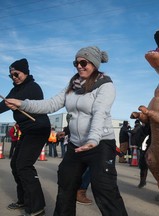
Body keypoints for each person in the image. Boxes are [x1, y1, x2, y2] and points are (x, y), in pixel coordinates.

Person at [5, 46, 128, 216]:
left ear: (94, 64)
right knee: (65, 184)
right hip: (76, 145)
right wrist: (22, 104)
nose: (79, 66)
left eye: (83, 62)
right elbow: (51, 104)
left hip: (99, 144)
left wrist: (93, 139)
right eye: (76, 63)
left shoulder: (105, 85)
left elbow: (100, 113)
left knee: (104, 189)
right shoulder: (73, 85)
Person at [0, 58, 51, 216]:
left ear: (25, 72)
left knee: (24, 165)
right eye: (11, 75)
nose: (14, 77)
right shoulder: (15, 90)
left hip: (38, 129)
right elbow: (3, 106)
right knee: (15, 165)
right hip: (27, 131)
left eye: (16, 73)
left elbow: (23, 100)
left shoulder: (33, 87)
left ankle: (37, 207)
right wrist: (8, 103)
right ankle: (24, 199)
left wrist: (16, 102)